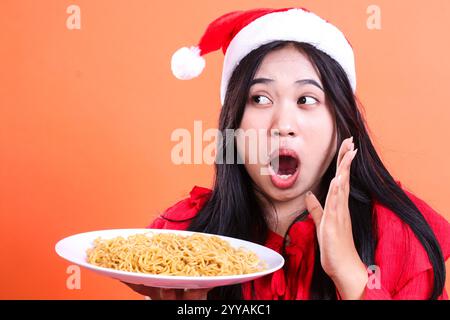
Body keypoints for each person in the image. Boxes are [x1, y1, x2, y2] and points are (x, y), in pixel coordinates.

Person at [125, 7, 450, 300]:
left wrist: (352, 277)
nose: (283, 124)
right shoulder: (183, 239)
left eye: (307, 100)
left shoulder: (400, 239)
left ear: (340, 125)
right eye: (261, 99)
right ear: (233, 127)